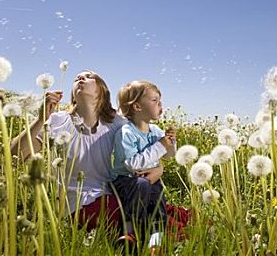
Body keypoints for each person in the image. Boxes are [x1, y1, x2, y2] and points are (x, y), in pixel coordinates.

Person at [10, 70, 164, 234]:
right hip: (74, 201)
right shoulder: (57, 121)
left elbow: (143, 146)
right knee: (143, 216)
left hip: (112, 192)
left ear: (102, 92)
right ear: (73, 96)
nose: (80, 78)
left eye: (89, 77)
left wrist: (159, 168)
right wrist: (41, 119)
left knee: (151, 209)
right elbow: (15, 155)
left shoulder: (116, 122)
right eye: (77, 78)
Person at [111, 80, 176, 251]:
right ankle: (131, 232)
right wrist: (160, 145)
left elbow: (169, 156)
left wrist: (170, 143)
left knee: (158, 200)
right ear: (138, 107)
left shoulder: (157, 131)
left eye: (160, 100)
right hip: (126, 181)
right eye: (154, 100)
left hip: (152, 180)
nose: (160, 104)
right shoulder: (126, 133)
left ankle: (156, 242)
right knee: (141, 186)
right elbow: (132, 165)